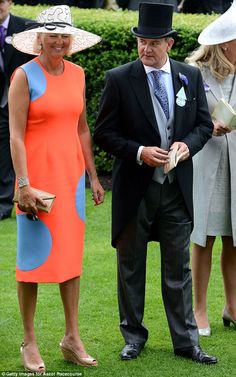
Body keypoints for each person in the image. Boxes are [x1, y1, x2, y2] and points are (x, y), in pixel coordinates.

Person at [94, 2, 217, 364]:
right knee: (130, 266)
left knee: (179, 267)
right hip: (135, 189)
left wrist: (186, 145)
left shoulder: (188, 77)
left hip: (177, 188)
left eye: (153, 42)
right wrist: (139, 152)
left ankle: (186, 342)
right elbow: (104, 132)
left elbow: (203, 127)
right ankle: (133, 337)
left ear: (170, 44)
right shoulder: (119, 78)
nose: (145, 48)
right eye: (141, 41)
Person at [8, 5, 104, 373]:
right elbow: (16, 135)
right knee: (31, 262)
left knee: (70, 261)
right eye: (53, 35)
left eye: (65, 35)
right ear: (40, 39)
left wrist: (93, 177)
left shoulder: (78, 74)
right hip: (34, 179)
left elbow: (82, 128)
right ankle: (29, 341)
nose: (59, 41)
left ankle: (72, 337)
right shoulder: (23, 75)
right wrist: (24, 184)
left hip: (71, 180)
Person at [186, 0, 236, 336]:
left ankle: (232, 305)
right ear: (226, 44)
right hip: (206, 165)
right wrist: (208, 126)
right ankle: (198, 309)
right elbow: (184, 121)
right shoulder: (194, 74)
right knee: (203, 239)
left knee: (234, 239)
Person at [0, 0, 32, 221]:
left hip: (15, 103)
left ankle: (3, 205)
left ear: (10, 2)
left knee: (7, 154)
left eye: (1, 1)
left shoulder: (25, 28)